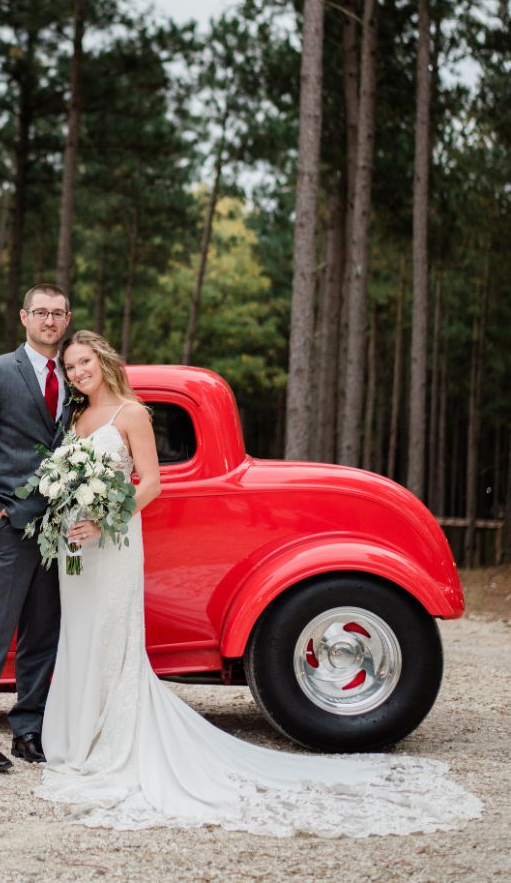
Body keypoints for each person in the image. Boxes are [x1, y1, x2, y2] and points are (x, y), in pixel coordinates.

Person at [38, 329, 483, 836]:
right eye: (71, 366)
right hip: (79, 545)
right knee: (79, 630)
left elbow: (153, 482)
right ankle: (78, 733)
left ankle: (112, 737)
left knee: (111, 633)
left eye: (84, 362)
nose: (78, 372)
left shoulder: (133, 412)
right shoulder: (75, 416)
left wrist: (104, 520)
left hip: (111, 539)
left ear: (104, 360)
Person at [0, 283, 73, 773]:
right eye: (41, 312)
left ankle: (29, 729)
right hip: (7, 526)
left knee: (43, 634)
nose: (49, 321)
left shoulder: (75, 377)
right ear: (23, 317)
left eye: (58, 313)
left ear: (67, 320)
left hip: (56, 531)